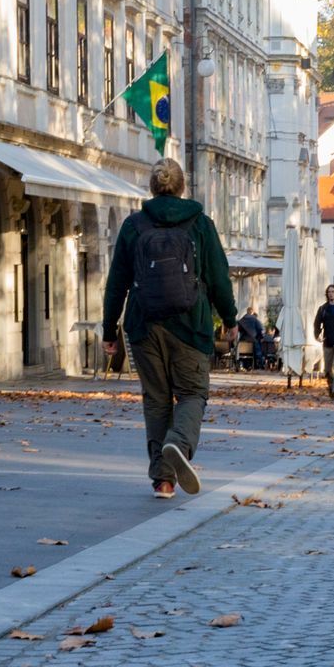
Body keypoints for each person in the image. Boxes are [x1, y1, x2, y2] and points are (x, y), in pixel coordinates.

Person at [102, 158, 239, 499]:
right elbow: (218, 278)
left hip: (144, 325)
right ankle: (178, 442)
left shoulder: (134, 225)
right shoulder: (200, 224)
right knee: (192, 393)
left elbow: (116, 282)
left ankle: (163, 480)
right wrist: (230, 320)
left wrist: (109, 331)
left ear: (152, 188)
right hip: (190, 323)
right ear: (182, 187)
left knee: (156, 400)